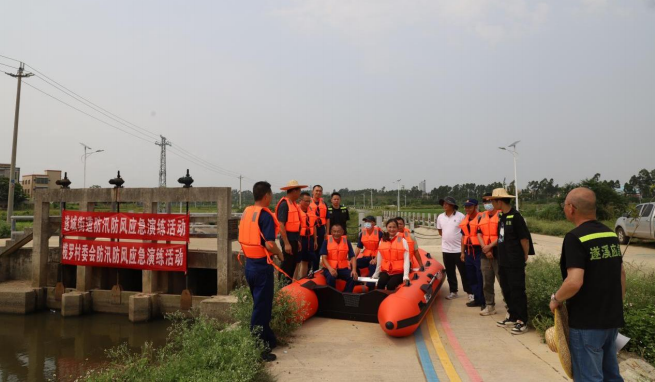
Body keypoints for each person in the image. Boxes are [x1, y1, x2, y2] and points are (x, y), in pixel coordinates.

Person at [550, 187, 625, 381]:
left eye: (565, 204)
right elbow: (621, 274)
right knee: (611, 375)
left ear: (572, 208)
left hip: (587, 324)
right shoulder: (610, 234)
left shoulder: (575, 238)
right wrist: (615, 306)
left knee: (589, 377)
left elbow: (574, 282)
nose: (564, 208)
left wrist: (556, 298)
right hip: (611, 320)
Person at [238, 181, 284, 362]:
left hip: (249, 265)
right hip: (262, 268)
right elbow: (270, 244)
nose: (271, 197)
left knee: (261, 304)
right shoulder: (264, 215)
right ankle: (259, 348)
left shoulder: (247, 212)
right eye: (271, 194)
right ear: (266, 195)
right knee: (261, 309)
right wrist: (279, 253)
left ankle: (269, 339)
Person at [487, 188, 534, 335]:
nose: (491, 203)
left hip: (514, 261)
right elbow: (501, 238)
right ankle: (512, 316)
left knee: (517, 290)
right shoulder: (502, 216)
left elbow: (524, 239)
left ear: (499, 201)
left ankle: (522, 320)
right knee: (506, 289)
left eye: (493, 201)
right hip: (503, 259)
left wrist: (524, 255)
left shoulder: (516, 217)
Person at [436, 197, 472, 300]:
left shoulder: (461, 216)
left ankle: (469, 292)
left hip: (458, 250)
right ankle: (453, 291)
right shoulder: (440, 217)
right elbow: (440, 232)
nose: (444, 205)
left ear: (452, 206)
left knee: (464, 272)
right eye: (443, 204)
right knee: (450, 272)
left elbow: (465, 233)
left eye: (447, 204)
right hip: (446, 250)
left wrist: (462, 250)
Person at [275, 180, 307, 284]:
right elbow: (281, 225)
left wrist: (297, 240)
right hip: (287, 238)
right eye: (299, 191)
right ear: (294, 191)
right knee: (287, 265)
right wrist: (287, 243)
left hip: (293, 238)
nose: (299, 194)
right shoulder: (284, 204)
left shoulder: (293, 204)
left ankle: (288, 286)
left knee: (292, 264)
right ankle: (282, 288)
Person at [477, 192, 502, 316]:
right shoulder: (481, 217)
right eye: (485, 201)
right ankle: (490, 305)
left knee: (503, 281)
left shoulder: (501, 215)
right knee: (487, 281)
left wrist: (490, 247)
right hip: (485, 253)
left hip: (499, 253)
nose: (487, 204)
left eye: (489, 201)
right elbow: (478, 233)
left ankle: (510, 307)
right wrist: (485, 248)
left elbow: (503, 235)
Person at [372, 219, 411, 290]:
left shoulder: (403, 241)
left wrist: (405, 276)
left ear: (397, 228)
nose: (392, 229)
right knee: (381, 283)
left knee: (391, 285)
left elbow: (406, 259)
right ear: (386, 227)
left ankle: (391, 300)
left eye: (394, 227)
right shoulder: (382, 241)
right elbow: (380, 258)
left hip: (398, 272)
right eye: (390, 227)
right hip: (386, 271)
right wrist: (376, 273)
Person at [460, 199, 484, 308]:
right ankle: (477, 299)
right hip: (468, 252)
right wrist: (462, 252)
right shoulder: (465, 219)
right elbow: (463, 237)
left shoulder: (481, 218)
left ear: (475, 206)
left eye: (469, 207)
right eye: (466, 207)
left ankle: (484, 301)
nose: (467, 209)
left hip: (479, 251)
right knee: (471, 277)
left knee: (480, 277)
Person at [320, 223, 358, 292]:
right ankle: (334, 296)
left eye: (338, 231)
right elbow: (324, 258)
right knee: (331, 278)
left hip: (343, 268)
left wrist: (354, 270)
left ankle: (345, 295)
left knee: (353, 277)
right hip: (329, 268)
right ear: (331, 232)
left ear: (342, 232)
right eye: (334, 231)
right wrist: (330, 269)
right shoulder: (326, 242)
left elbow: (352, 257)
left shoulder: (347, 242)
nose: (336, 233)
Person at [297, 191, 318, 279]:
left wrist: (315, 240)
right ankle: (294, 281)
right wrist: (297, 241)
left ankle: (302, 279)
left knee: (306, 260)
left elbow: (314, 226)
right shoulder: (296, 211)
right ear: (300, 201)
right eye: (305, 201)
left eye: (309, 201)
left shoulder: (311, 211)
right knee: (297, 261)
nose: (307, 203)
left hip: (309, 239)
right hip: (300, 239)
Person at [308, 185, 328, 272]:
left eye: (320, 191)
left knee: (320, 250)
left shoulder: (324, 204)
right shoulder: (308, 202)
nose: (318, 192)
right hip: (310, 230)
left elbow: (328, 218)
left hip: (321, 229)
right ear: (312, 192)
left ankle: (316, 270)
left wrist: (327, 232)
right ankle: (308, 270)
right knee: (310, 250)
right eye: (316, 191)